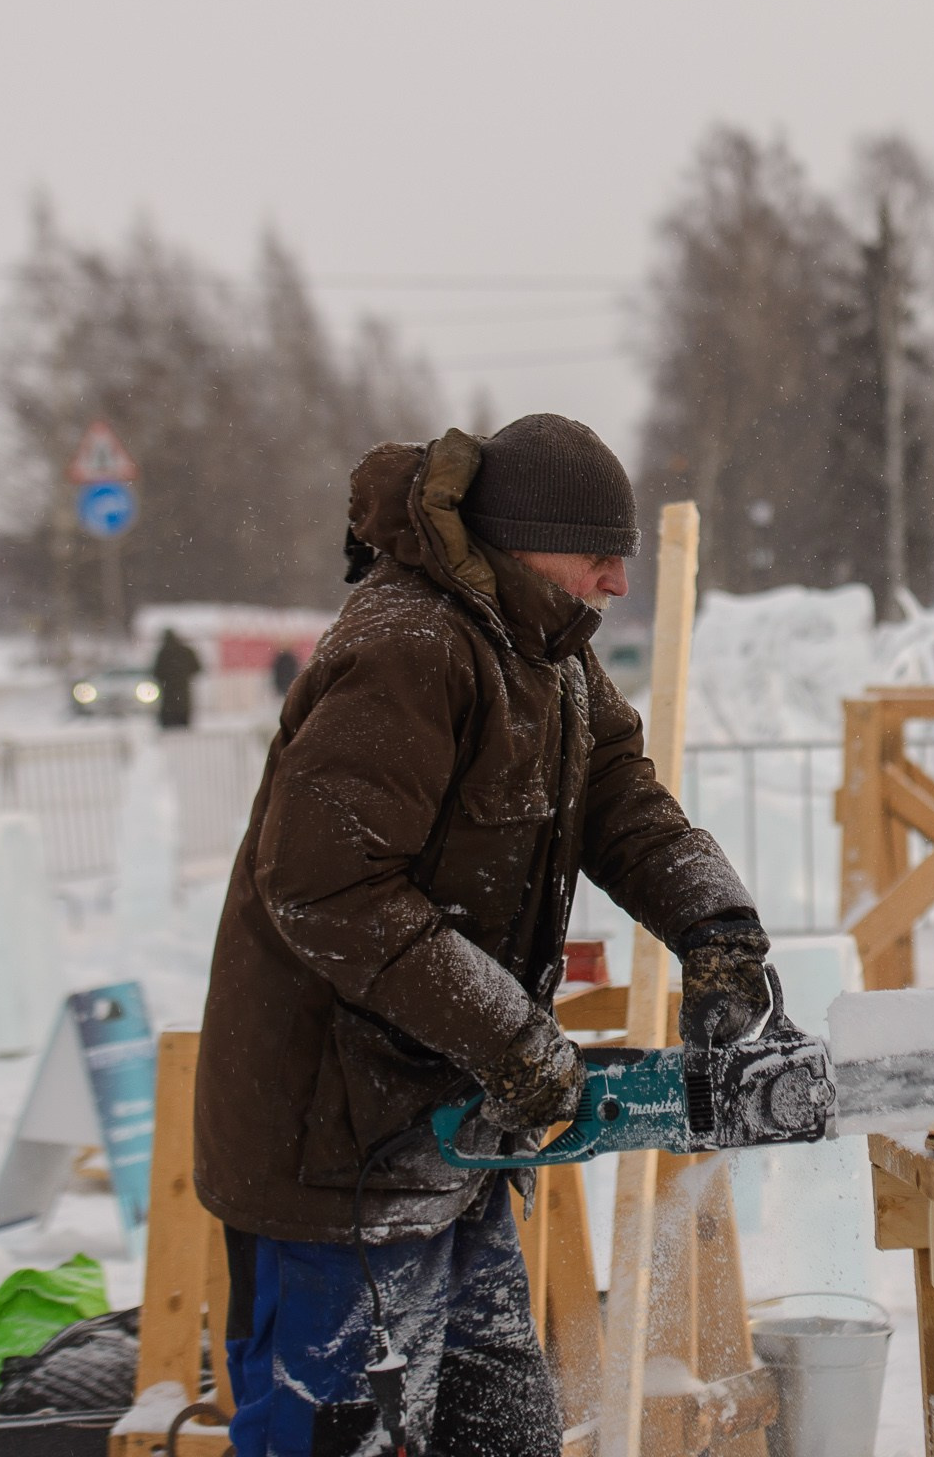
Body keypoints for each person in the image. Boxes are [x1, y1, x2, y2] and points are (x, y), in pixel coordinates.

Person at [194, 414, 772, 1457]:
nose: (614, 581)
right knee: (345, 1443)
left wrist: (715, 925)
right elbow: (327, 888)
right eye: (596, 553)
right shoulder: (407, 648)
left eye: (624, 556)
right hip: (337, 1161)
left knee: (502, 1435)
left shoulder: (548, 656)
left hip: (450, 1136)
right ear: (521, 540)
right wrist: (509, 1036)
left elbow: (621, 801)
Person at [151, 627, 203, 730]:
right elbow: (197, 668)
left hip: (168, 699)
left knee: (169, 730)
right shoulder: (185, 651)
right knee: (183, 729)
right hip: (183, 698)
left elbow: (156, 673)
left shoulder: (163, 653)